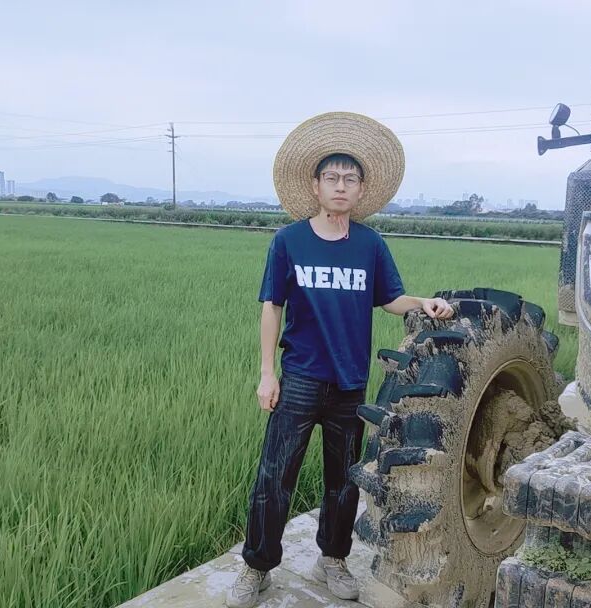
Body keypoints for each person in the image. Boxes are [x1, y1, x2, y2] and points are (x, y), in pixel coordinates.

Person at [226, 112, 455, 608]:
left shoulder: (370, 244)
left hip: (350, 383)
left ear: (361, 189)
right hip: (300, 378)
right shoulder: (289, 241)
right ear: (316, 185)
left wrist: (422, 302)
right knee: (274, 477)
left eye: (350, 179)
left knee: (343, 481)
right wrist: (267, 374)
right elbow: (272, 307)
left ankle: (332, 558)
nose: (340, 185)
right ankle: (257, 567)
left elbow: (389, 299)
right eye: (332, 177)